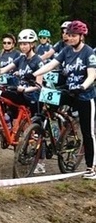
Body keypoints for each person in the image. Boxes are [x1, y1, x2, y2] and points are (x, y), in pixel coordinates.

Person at [33, 20, 96, 178]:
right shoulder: (66, 51)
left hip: (85, 96)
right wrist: (34, 74)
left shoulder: (89, 53)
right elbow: (51, 65)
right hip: (69, 92)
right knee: (47, 102)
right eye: (69, 35)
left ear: (82, 36)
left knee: (88, 132)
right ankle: (51, 131)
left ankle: (91, 167)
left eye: (74, 36)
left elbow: (92, 75)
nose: (71, 38)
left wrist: (83, 86)